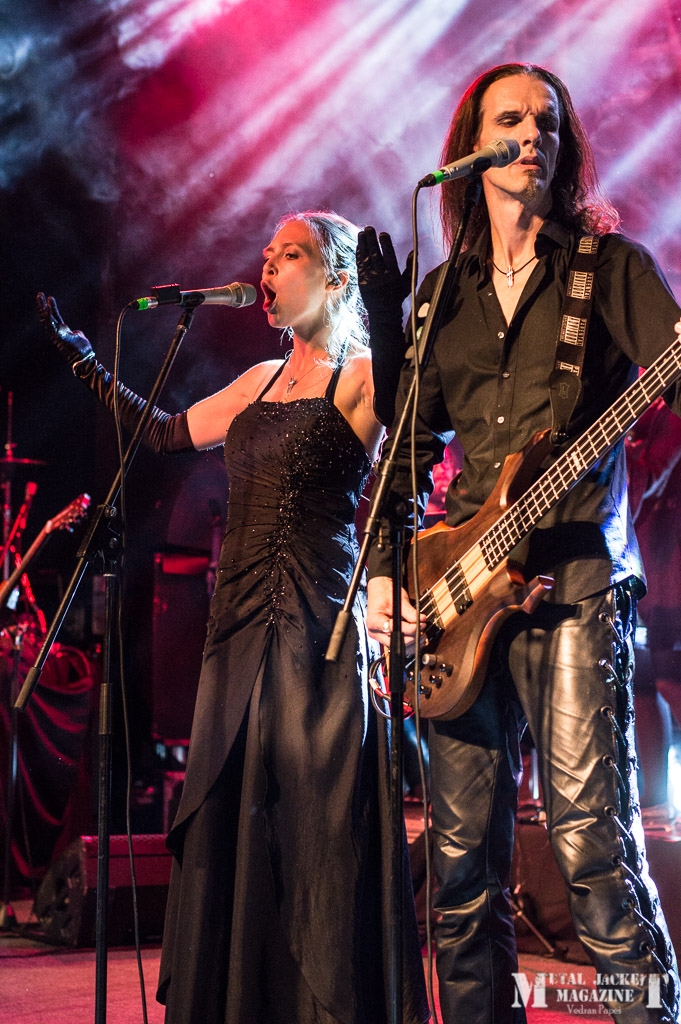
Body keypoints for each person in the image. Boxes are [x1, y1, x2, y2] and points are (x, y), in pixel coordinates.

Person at [37, 210, 429, 1024]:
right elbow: (163, 432)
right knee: (233, 814)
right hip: (238, 624)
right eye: (266, 254)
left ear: (335, 278)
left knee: (317, 825)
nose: (268, 267)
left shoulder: (362, 376)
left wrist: (387, 317)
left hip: (317, 626)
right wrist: (82, 361)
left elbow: (411, 418)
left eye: (289, 255)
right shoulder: (257, 379)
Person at [360, 63, 681, 1023]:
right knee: (459, 872)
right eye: (511, 119)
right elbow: (408, 451)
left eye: (547, 121)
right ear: (472, 148)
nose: (532, 133)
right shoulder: (441, 295)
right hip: (458, 600)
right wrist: (386, 576)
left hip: (576, 581)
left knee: (592, 850)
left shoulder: (607, 269)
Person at [627, 398, 681, 824]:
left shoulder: (671, 412)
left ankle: (662, 799)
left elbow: (649, 477)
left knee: (669, 679)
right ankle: (656, 800)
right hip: (638, 557)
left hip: (668, 561)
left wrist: (622, 451)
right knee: (643, 683)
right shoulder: (640, 408)